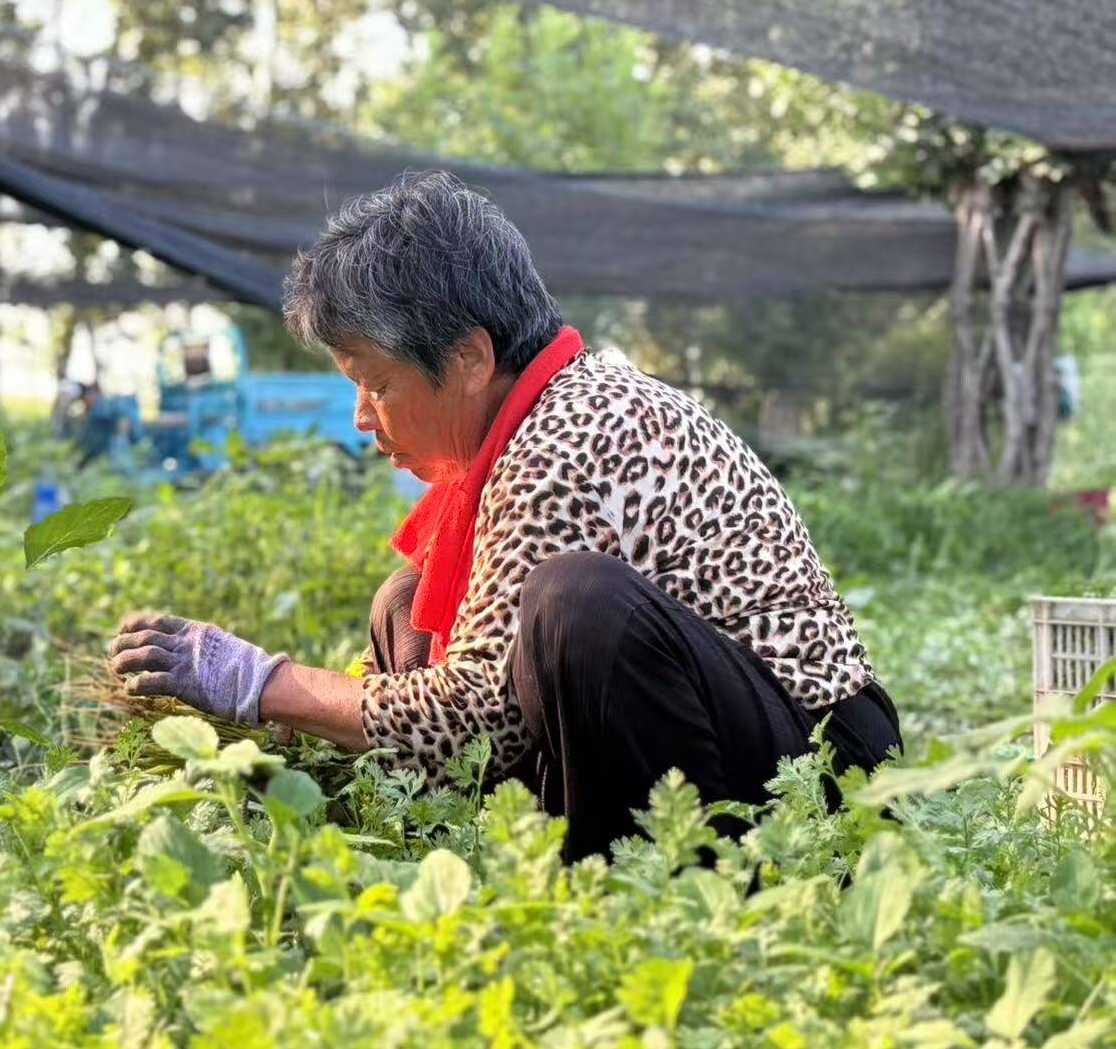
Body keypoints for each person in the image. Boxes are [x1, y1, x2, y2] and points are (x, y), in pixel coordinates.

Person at [109, 172, 903, 861]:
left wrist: (261, 686)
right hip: (704, 733)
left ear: (468, 359)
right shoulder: (533, 415)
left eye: (378, 385)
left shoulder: (567, 438)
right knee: (408, 606)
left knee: (575, 604)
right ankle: (474, 848)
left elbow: (473, 717)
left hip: (812, 768)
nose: (362, 417)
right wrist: (291, 728)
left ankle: (648, 885)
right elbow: (470, 685)